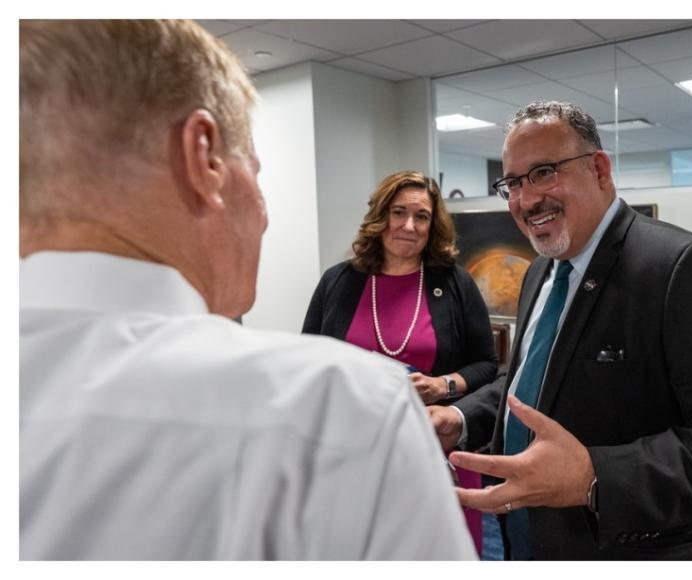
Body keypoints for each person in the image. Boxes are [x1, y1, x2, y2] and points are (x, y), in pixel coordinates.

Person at [19, 20, 476, 561]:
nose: (263, 216)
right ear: (204, 158)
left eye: (421, 217)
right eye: (255, 173)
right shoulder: (342, 407)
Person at [428, 100, 692, 560]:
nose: (526, 200)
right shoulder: (541, 271)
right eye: (513, 183)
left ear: (599, 169)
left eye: (543, 172)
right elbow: (537, 383)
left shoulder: (684, 268)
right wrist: (461, 419)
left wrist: (594, 475)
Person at [302, 170, 498, 553]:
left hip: (435, 449)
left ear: (432, 225)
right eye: (398, 212)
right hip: (352, 451)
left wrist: (443, 385)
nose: (409, 226)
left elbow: (486, 364)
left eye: (421, 216)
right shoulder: (338, 282)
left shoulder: (455, 283)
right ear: (381, 217)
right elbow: (309, 361)